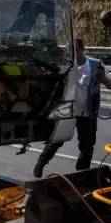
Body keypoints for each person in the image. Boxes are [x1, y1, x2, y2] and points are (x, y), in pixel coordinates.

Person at [34, 38, 111, 178]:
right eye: (70, 51)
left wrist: (104, 80)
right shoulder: (65, 64)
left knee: (87, 146)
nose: (73, 54)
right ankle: (40, 164)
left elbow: (108, 83)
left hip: (87, 112)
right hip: (68, 110)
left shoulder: (95, 64)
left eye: (76, 50)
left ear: (83, 49)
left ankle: (81, 174)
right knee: (57, 141)